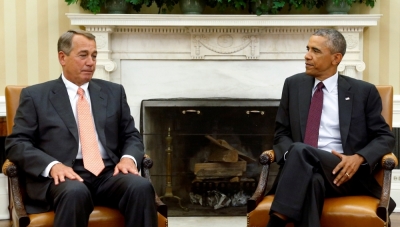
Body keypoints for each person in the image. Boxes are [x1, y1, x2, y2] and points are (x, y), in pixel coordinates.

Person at [5, 30, 157, 227]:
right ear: (62, 57)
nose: (91, 62)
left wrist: (128, 159)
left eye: (94, 56)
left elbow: (131, 135)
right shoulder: (35, 96)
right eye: (83, 55)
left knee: (141, 187)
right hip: (64, 175)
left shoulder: (113, 92)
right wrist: (52, 166)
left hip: (108, 172)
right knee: (75, 192)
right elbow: (16, 143)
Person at [266, 28, 396, 227]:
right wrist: (292, 158)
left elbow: (385, 137)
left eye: (316, 51)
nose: (307, 55)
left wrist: (359, 157)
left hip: (343, 172)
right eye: (308, 48)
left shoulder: (363, 92)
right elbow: (281, 132)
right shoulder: (293, 85)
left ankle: (276, 221)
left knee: (300, 149)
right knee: (312, 178)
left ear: (336, 58)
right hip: (301, 170)